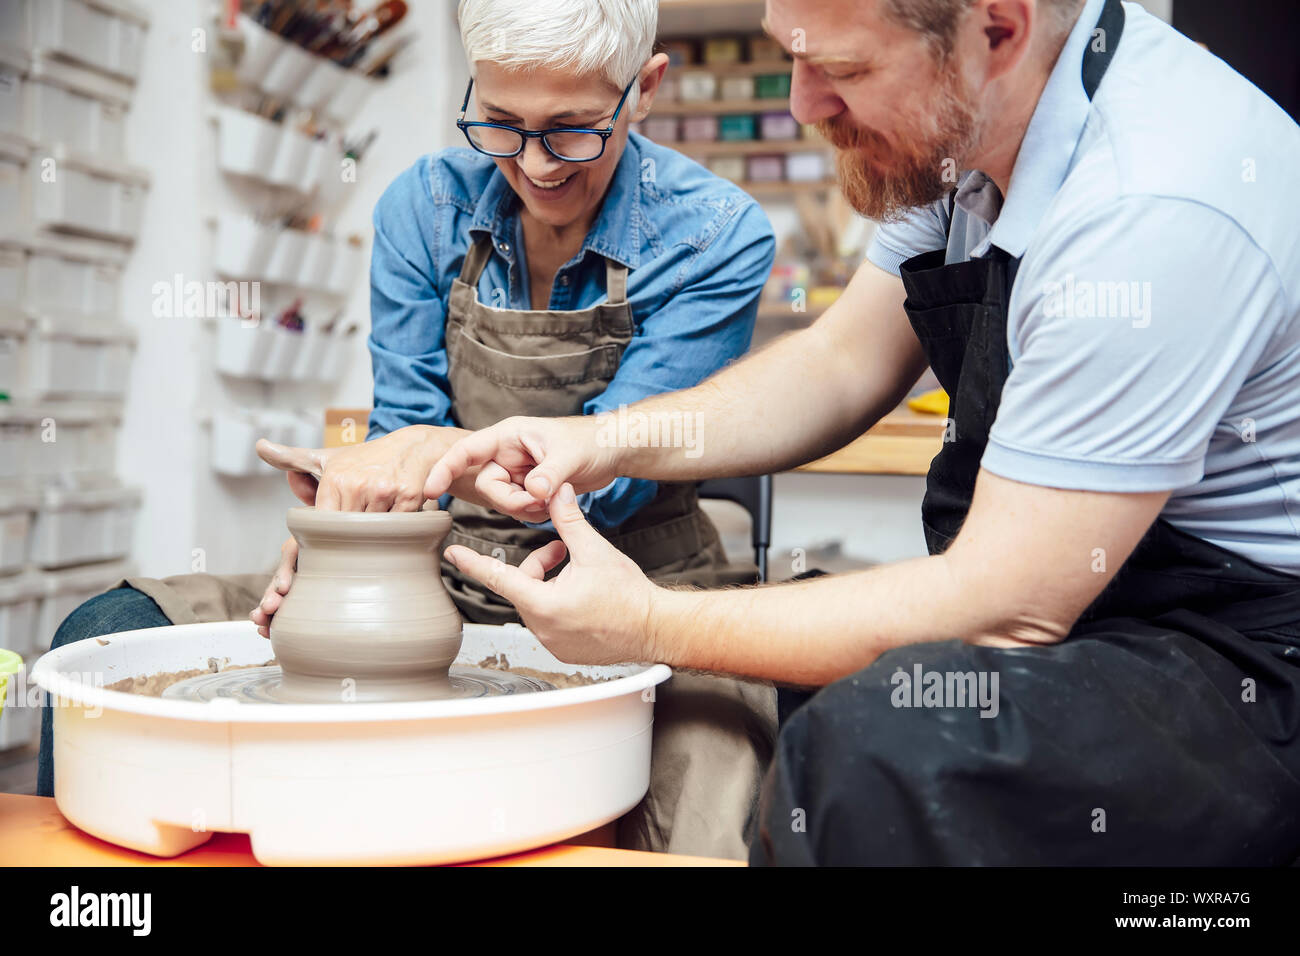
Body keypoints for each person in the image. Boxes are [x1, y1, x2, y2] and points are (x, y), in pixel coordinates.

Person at [418, 0, 1300, 865]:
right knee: (786, 696)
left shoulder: (1150, 203)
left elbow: (1005, 607)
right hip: (1085, 599)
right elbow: (840, 364)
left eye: (841, 69)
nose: (805, 104)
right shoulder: (966, 137)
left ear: (998, 30)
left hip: (1241, 655)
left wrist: (648, 620)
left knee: (877, 747)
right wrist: (604, 440)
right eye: (794, 58)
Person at [40, 0, 777, 861]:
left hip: (634, 582)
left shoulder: (717, 234)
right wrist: (346, 520)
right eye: (501, 124)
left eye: (572, 129)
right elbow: (403, 433)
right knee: (100, 630)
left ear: (642, 89)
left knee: (700, 813)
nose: (534, 164)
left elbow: (614, 475)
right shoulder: (423, 207)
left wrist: (428, 459)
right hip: (431, 569)